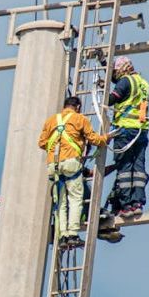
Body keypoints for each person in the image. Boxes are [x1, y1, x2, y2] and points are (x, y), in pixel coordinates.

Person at [38, 96, 111, 249]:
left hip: (53, 165)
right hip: (71, 162)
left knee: (61, 203)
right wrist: (106, 138)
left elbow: (42, 143)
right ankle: (72, 234)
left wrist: (57, 146)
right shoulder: (80, 119)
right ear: (77, 107)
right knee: (75, 199)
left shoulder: (51, 120)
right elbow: (94, 139)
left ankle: (63, 236)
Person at [107, 56, 149, 218]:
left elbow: (113, 99)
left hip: (125, 130)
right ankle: (137, 203)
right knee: (138, 168)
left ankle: (125, 205)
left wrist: (102, 91)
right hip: (141, 131)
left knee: (124, 167)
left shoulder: (125, 82)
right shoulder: (142, 82)